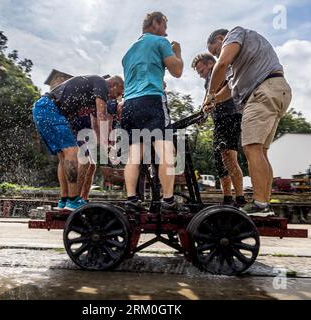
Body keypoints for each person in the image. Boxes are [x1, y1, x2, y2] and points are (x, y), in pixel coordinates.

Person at [204, 27, 292, 215]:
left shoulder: (235, 33)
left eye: (215, 51)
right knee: (261, 151)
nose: (217, 56)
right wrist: (213, 101)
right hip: (277, 90)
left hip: (262, 91)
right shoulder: (239, 65)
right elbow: (229, 90)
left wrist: (210, 94)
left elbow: (221, 64)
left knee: (252, 148)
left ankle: (259, 204)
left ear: (221, 38)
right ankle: (265, 204)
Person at [121, 12, 186, 214]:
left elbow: (142, 73)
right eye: (164, 24)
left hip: (129, 104)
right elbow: (177, 71)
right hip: (151, 100)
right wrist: (178, 53)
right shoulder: (160, 41)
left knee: (134, 154)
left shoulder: (128, 52)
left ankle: (131, 199)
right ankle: (168, 201)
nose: (166, 29)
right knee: (166, 151)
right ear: (156, 23)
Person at [32, 75, 124, 211]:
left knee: (64, 157)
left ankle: (64, 201)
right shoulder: (101, 83)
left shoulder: (93, 94)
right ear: (114, 84)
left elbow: (97, 124)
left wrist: (106, 144)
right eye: (117, 94)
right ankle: (73, 200)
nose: (115, 98)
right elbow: (102, 116)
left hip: (43, 109)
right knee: (73, 153)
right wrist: (107, 146)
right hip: (50, 109)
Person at [192, 53, 247, 207]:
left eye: (201, 71)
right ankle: (227, 198)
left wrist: (212, 102)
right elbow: (207, 99)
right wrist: (202, 114)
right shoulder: (207, 83)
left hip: (232, 115)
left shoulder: (223, 71)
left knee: (229, 155)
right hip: (218, 121)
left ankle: (240, 197)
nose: (201, 76)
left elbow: (229, 90)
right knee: (220, 158)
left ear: (210, 64)